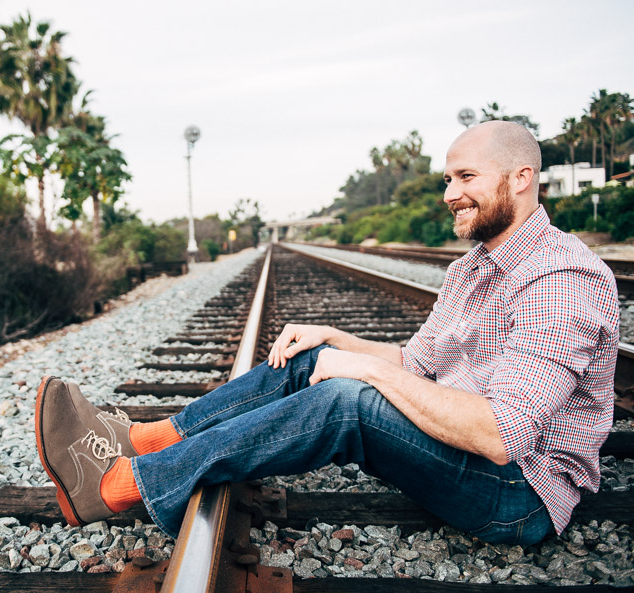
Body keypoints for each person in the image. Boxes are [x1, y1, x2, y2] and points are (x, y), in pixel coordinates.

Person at [35, 121, 619, 545]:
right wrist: (337, 339)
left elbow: (500, 435)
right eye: (447, 178)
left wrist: (360, 369)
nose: (448, 194)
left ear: (522, 178)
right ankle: (147, 438)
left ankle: (117, 486)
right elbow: (416, 363)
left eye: (466, 177)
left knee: (348, 402)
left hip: (516, 494)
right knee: (315, 357)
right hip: (466, 450)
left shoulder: (561, 278)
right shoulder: (473, 266)